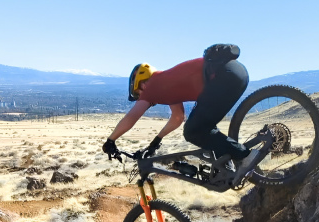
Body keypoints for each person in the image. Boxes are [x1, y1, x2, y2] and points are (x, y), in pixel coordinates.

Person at [102, 44, 261, 186]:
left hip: (222, 76)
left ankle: (245, 156)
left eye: (139, 93)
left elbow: (131, 117)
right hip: (236, 73)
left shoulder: (152, 87)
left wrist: (110, 141)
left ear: (142, 83)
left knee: (193, 131)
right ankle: (228, 166)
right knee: (203, 128)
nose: (142, 98)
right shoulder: (166, 84)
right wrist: (155, 142)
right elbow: (177, 118)